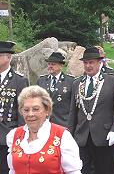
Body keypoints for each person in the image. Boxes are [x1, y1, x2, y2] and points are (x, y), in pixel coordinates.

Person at [68, 47, 114, 174]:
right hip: (82, 137)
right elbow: (73, 112)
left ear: (99, 63)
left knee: (105, 170)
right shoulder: (77, 83)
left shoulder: (111, 81)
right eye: (85, 63)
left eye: (91, 62)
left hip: (104, 136)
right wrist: (70, 135)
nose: (88, 66)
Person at [6, 86, 82, 173]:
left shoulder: (62, 136)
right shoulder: (14, 135)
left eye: (36, 109)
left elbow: (73, 172)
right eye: (26, 110)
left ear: (47, 110)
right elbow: (12, 171)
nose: (30, 114)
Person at [0, 41, 29, 174]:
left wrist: (20, 136)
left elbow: (23, 111)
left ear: (9, 57)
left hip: (8, 135)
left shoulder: (19, 81)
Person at [37, 52, 75, 127]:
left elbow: (73, 106)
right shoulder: (41, 80)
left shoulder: (71, 81)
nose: (50, 66)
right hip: (44, 123)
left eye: (53, 64)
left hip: (63, 123)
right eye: (49, 64)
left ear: (61, 66)